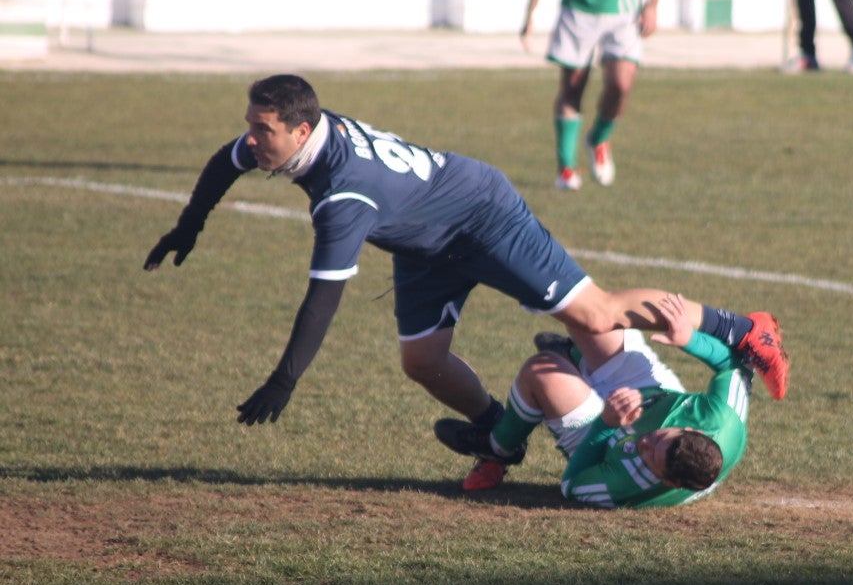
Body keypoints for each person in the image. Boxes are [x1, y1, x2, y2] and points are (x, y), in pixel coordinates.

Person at [142, 75, 789, 441]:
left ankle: (742, 328)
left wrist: (285, 379)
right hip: (425, 240)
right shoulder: (302, 131)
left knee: (594, 316)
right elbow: (223, 163)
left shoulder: (344, 194)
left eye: (264, 131)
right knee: (421, 361)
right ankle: (494, 429)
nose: (252, 140)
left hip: (482, 212)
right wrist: (188, 227)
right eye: (252, 126)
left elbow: (323, 298)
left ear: (303, 131)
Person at [436, 294, 750, 508]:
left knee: (542, 370)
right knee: (588, 313)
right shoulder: (723, 421)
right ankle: (575, 355)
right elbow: (738, 365)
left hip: (601, 437)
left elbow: (571, 485)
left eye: (651, 456)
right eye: (659, 438)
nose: (646, 443)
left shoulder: (627, 485)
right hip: (652, 391)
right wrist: (689, 338)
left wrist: (605, 423)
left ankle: (499, 449)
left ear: (667, 481)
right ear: (691, 430)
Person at [519, 0, 665, 191]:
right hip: (578, 9)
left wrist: (652, 4)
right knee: (572, 87)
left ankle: (598, 138)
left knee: (621, 84)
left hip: (624, 12)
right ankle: (566, 169)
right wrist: (531, 11)